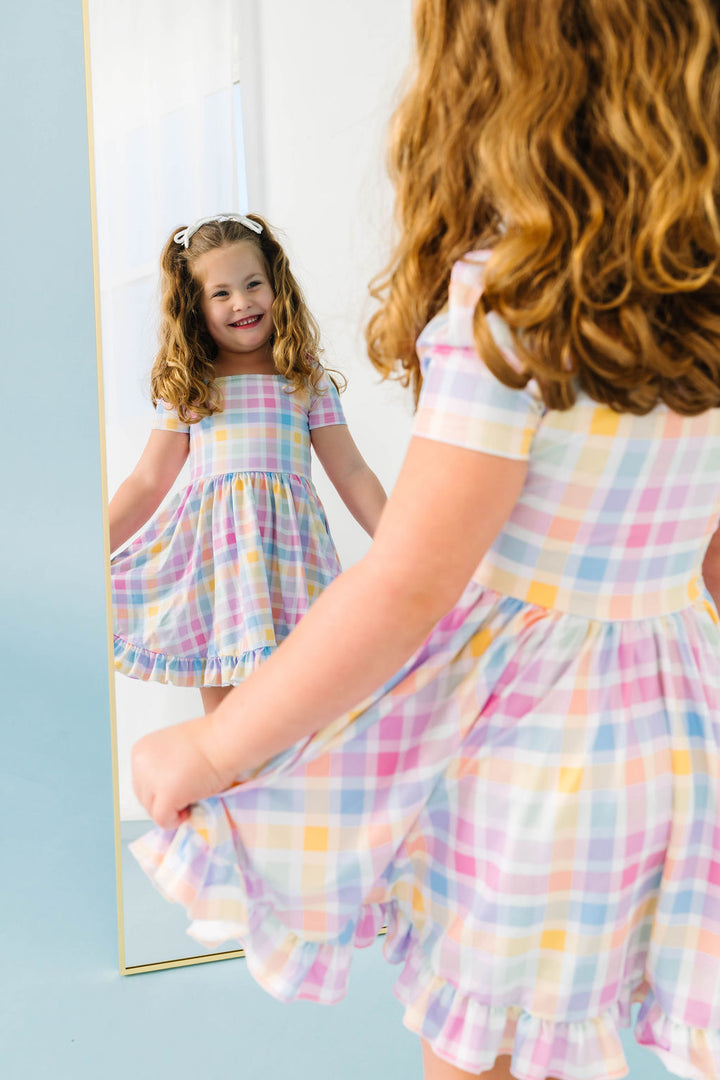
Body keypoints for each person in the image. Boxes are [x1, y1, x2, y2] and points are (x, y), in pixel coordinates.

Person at [130, 3, 720, 1078]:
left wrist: (215, 747)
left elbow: (408, 580)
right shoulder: (702, 291)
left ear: (483, 85)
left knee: (485, 1052)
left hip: (533, 755)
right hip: (673, 730)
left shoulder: (508, 309)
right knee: (567, 1030)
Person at [110, 213, 386, 712]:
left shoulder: (304, 378)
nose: (242, 302)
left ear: (276, 284)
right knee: (226, 718)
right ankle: (227, 790)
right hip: (216, 568)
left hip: (292, 564)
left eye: (253, 284)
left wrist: (398, 542)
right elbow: (149, 480)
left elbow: (350, 471)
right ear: (195, 306)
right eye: (221, 293)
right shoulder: (192, 384)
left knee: (299, 707)